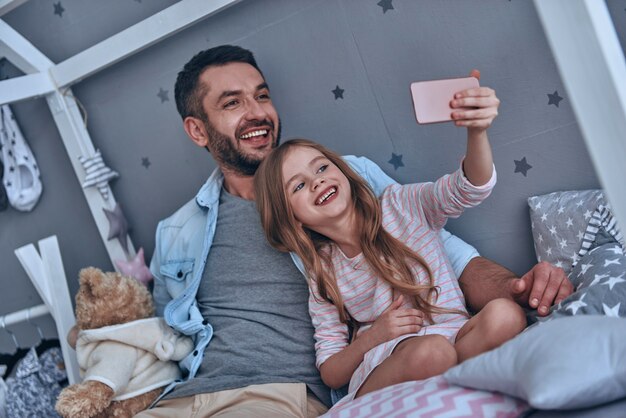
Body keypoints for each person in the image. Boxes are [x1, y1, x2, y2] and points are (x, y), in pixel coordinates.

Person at [136, 45, 572, 417]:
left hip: (273, 396)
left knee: (485, 326)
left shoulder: (355, 183)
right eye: (232, 103)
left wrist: (516, 289)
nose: (257, 113)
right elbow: (162, 340)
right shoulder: (175, 232)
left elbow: (445, 250)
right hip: (185, 399)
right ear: (197, 129)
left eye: (261, 95)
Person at [255, 135, 526, 401]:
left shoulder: (402, 205)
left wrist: (477, 131)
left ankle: (454, 391)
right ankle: (378, 404)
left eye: (322, 167)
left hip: (454, 338)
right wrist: (376, 335)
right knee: (432, 353)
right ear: (293, 219)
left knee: (506, 315)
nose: (317, 181)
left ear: (343, 172)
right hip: (390, 364)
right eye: (299, 186)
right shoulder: (323, 272)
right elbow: (331, 373)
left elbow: (467, 188)